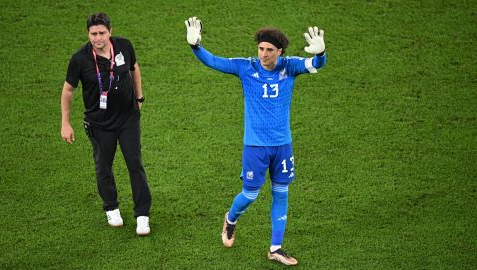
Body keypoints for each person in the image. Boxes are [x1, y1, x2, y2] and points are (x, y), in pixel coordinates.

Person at [185, 17, 327, 265]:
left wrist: (321, 53)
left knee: (281, 193)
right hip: (255, 146)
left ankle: (276, 248)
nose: (263, 54)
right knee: (250, 195)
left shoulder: (289, 66)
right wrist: (196, 47)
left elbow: (315, 63)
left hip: (283, 145)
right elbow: (214, 62)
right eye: (261, 49)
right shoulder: (246, 67)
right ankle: (230, 219)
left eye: (269, 50)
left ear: (279, 51)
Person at [61, 12, 151, 236]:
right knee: (103, 167)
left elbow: (134, 69)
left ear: (110, 31)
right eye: (93, 34)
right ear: (88, 34)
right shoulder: (80, 59)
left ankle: (142, 215)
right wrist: (65, 122)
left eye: (102, 33)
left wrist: (139, 98)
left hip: (128, 119)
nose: (98, 38)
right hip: (99, 124)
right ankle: (111, 207)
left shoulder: (124, 46)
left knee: (135, 165)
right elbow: (68, 90)